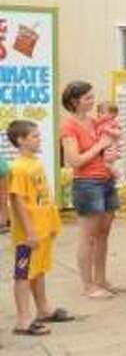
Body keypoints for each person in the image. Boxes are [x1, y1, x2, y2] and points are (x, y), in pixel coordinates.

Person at [60, 81, 119, 300]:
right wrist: (100, 146)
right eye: (87, 98)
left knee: (103, 233)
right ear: (74, 101)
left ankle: (101, 279)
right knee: (88, 236)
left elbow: (105, 148)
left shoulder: (95, 122)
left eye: (92, 97)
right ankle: (88, 285)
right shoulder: (69, 126)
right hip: (87, 184)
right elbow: (74, 160)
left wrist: (109, 154)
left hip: (106, 180)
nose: (92, 101)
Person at [8, 120, 67, 335]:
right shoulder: (18, 168)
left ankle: (43, 309)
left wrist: (51, 223)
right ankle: (23, 319)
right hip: (28, 233)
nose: (39, 139)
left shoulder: (36, 163)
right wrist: (30, 231)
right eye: (34, 136)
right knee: (23, 274)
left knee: (39, 270)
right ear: (21, 140)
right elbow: (18, 201)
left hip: (43, 228)